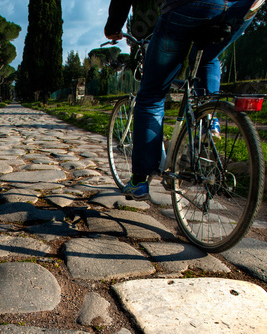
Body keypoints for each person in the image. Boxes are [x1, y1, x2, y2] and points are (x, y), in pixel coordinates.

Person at [104, 0, 264, 201]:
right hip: (242, 6)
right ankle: (209, 123)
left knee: (152, 95)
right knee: (207, 57)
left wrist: (113, 26)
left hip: (188, 6)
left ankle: (139, 181)